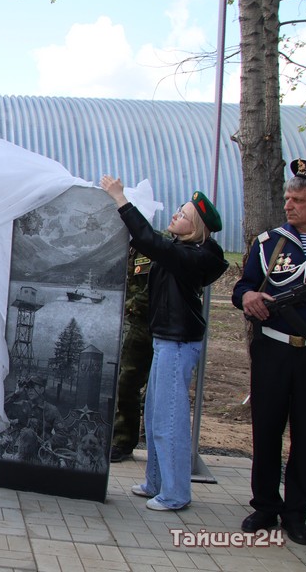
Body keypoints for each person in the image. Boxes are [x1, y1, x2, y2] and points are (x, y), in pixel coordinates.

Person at [100, 175, 227, 511]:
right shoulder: (183, 251)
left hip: (177, 343)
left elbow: (149, 241)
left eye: (183, 215)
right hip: (165, 341)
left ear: (196, 227)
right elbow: (150, 243)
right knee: (156, 416)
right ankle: (155, 482)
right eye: (178, 211)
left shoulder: (194, 256)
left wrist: (120, 199)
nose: (175, 216)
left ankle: (175, 493)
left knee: (169, 421)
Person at [232, 159, 306, 545]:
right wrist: (247, 296)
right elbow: (242, 286)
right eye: (286, 199)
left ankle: (296, 513)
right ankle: (265, 505)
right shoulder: (270, 244)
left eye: (298, 200)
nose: (288, 205)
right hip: (274, 350)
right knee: (266, 430)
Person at [109, 248, 153, 462]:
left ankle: (128, 440)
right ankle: (122, 440)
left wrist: (127, 306)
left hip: (148, 324)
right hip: (128, 323)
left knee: (132, 381)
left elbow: (152, 290)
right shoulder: (117, 247)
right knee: (124, 381)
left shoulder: (150, 248)